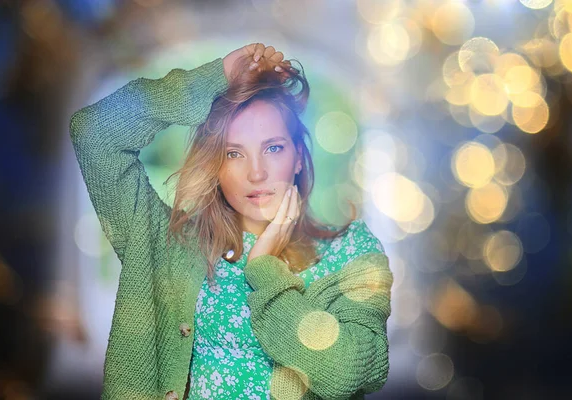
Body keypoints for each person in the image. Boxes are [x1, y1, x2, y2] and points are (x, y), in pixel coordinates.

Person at [69, 42, 393, 400]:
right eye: (234, 153)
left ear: (299, 157)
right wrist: (214, 76)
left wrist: (265, 273)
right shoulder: (170, 244)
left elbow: (346, 373)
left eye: (273, 148)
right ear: (216, 168)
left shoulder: (351, 253)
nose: (256, 172)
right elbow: (93, 133)